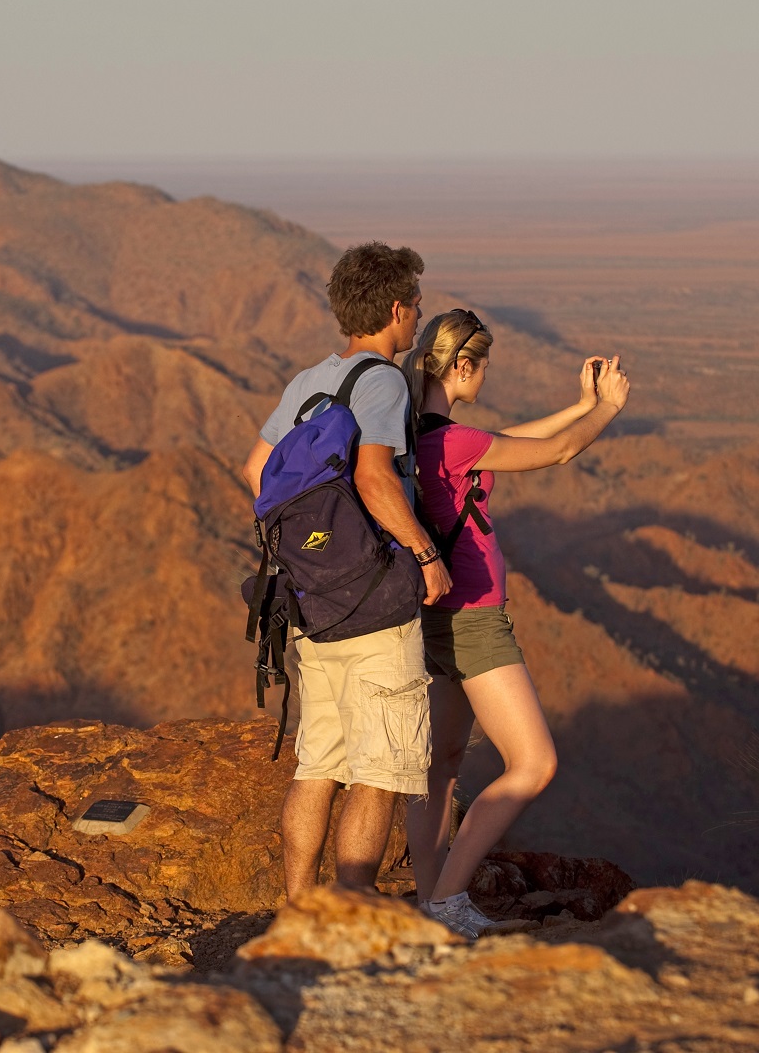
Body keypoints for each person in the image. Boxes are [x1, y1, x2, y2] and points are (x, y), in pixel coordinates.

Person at [401, 308, 630, 937]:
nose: (485, 378)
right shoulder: (453, 442)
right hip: (475, 622)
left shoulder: (417, 436)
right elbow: (553, 454)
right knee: (533, 763)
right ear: (464, 365)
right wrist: (607, 409)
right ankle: (449, 903)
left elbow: (509, 437)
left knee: (440, 766)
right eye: (484, 366)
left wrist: (576, 404)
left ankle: (429, 901)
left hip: (431, 620)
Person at [241, 242, 453, 898]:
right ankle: (351, 909)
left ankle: (300, 906)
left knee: (317, 764)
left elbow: (255, 473)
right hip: (373, 603)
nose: (416, 319)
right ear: (395, 308)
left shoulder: (307, 382)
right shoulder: (383, 381)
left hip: (313, 602)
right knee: (381, 770)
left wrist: (310, 551)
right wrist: (423, 553)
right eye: (414, 306)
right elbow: (373, 475)